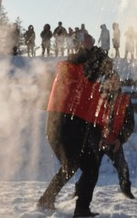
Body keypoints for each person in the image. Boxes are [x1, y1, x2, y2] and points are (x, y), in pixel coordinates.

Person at [38, 46, 114, 217]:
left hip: (63, 127)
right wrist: (91, 57)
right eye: (101, 67)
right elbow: (77, 63)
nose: (102, 72)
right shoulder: (72, 70)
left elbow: (97, 111)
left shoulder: (85, 79)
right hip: (65, 126)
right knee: (90, 167)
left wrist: (104, 131)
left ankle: (47, 199)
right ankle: (81, 209)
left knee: (72, 166)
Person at [90, 72, 135, 200]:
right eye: (111, 81)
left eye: (116, 81)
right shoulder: (97, 97)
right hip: (97, 140)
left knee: (123, 167)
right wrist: (98, 139)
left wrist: (120, 140)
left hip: (114, 140)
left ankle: (126, 191)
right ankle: (79, 191)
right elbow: (90, 122)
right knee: (90, 168)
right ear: (105, 82)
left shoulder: (125, 99)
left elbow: (129, 124)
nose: (114, 83)